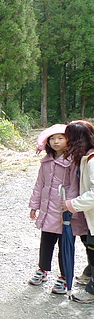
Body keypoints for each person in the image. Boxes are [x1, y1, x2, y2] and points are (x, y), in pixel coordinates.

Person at [27, 124, 88, 295]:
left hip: (64, 212)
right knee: (46, 242)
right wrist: (34, 205)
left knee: (65, 245)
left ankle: (63, 276)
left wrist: (69, 210)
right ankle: (43, 270)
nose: (56, 141)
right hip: (47, 211)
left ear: (68, 140)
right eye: (52, 139)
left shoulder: (72, 162)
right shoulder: (46, 161)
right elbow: (39, 185)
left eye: (60, 138)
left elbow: (74, 188)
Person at [61, 120, 94, 303]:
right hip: (90, 216)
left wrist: (72, 204)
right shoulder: (84, 157)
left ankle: (92, 292)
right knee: (90, 245)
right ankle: (89, 275)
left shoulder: (92, 160)